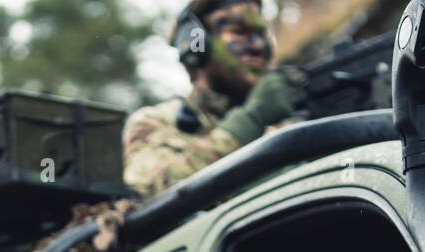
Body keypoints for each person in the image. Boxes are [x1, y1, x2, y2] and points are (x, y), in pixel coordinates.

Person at [123, 0, 307, 200]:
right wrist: (250, 120)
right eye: (239, 32)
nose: (257, 45)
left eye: (262, 34)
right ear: (197, 47)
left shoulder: (291, 113)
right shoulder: (155, 123)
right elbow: (161, 189)